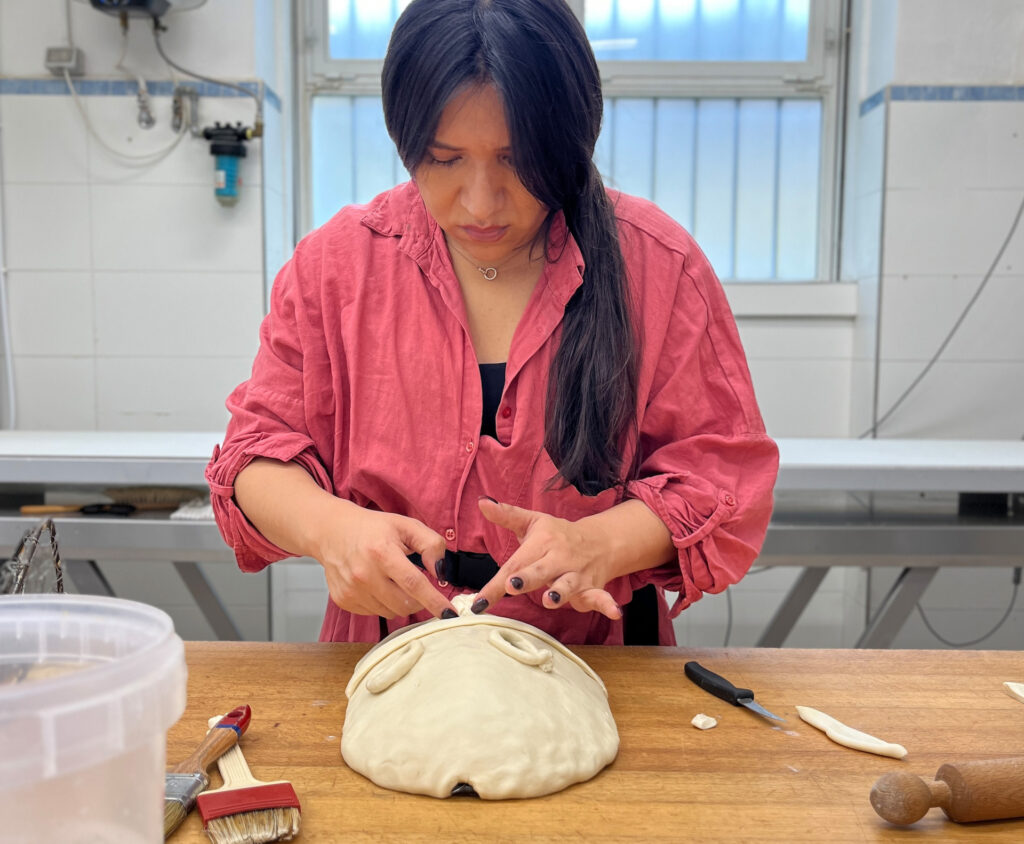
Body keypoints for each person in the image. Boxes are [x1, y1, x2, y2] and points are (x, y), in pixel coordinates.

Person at [206, 0, 779, 647]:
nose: (480, 202)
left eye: (515, 160)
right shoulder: (338, 265)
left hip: (599, 660)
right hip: (389, 651)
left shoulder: (657, 263)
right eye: (445, 159)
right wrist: (331, 529)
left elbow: (723, 479)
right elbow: (255, 457)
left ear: (570, 142)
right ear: (405, 139)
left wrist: (601, 542)